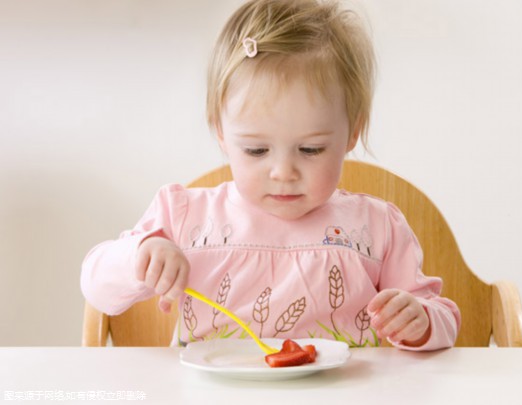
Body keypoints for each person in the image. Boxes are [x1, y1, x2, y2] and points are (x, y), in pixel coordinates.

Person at [81, 0, 460, 350]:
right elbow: (95, 286)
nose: (283, 172)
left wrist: (421, 320)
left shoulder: (376, 228)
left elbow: (443, 317)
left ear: (353, 132)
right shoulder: (184, 216)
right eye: (256, 150)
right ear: (220, 132)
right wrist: (139, 257)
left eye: (311, 149)